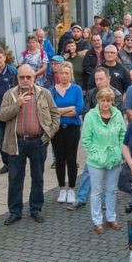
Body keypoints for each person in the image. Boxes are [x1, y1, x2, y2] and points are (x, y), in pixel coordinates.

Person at [0, 64, 58, 225]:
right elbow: (2, 116)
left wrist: (48, 134)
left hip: (38, 141)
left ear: (34, 78)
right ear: (17, 78)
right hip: (16, 143)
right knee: (15, 178)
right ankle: (15, 211)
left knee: (37, 177)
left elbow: (55, 115)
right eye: (21, 77)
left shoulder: (44, 93)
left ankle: (35, 209)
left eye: (28, 77)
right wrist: (17, 104)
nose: (25, 80)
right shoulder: (9, 94)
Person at [82, 88, 126, 233]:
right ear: (98, 100)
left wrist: (119, 152)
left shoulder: (118, 114)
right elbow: (86, 139)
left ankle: (111, 218)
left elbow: (122, 134)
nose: (105, 103)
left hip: (114, 158)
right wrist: (95, 155)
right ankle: (97, 221)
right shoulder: (90, 116)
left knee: (112, 190)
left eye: (108, 100)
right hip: (96, 160)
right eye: (103, 100)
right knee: (96, 191)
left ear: (112, 101)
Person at [50, 61, 85, 205]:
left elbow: (79, 109)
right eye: (61, 73)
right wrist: (67, 109)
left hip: (72, 129)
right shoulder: (51, 90)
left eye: (66, 73)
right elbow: (50, 110)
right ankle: (62, 188)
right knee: (59, 160)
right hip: (56, 129)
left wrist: (59, 111)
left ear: (70, 75)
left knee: (71, 159)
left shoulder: (76, 89)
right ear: (57, 75)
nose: (63, 76)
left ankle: (71, 188)